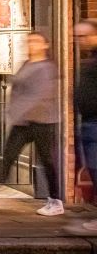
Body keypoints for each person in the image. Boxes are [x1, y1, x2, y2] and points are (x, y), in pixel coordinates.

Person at [0, 32, 62, 216]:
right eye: (29, 41)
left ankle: (56, 201)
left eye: (36, 41)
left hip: (43, 121)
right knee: (9, 154)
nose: (31, 44)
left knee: (47, 160)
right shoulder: (28, 64)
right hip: (25, 121)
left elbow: (39, 96)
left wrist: (18, 113)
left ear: (45, 45)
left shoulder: (46, 67)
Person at [76, 21, 97, 230]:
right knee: (93, 167)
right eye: (78, 37)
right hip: (89, 121)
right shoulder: (91, 58)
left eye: (84, 36)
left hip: (94, 122)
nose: (80, 41)